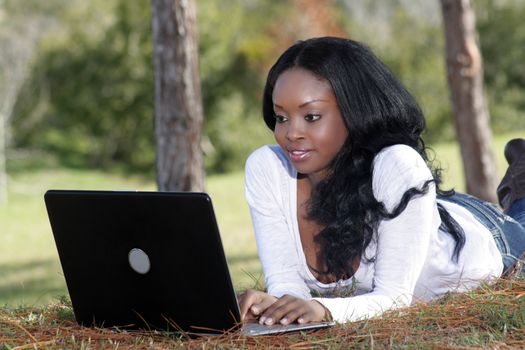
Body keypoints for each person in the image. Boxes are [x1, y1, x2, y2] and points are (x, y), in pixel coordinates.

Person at [238, 37, 525, 326]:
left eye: (311, 116)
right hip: (417, 206)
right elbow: (287, 286)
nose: (290, 133)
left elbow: (395, 299)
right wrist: (274, 307)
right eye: (281, 117)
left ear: (355, 112)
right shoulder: (268, 168)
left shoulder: (397, 166)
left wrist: (324, 310)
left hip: (483, 235)